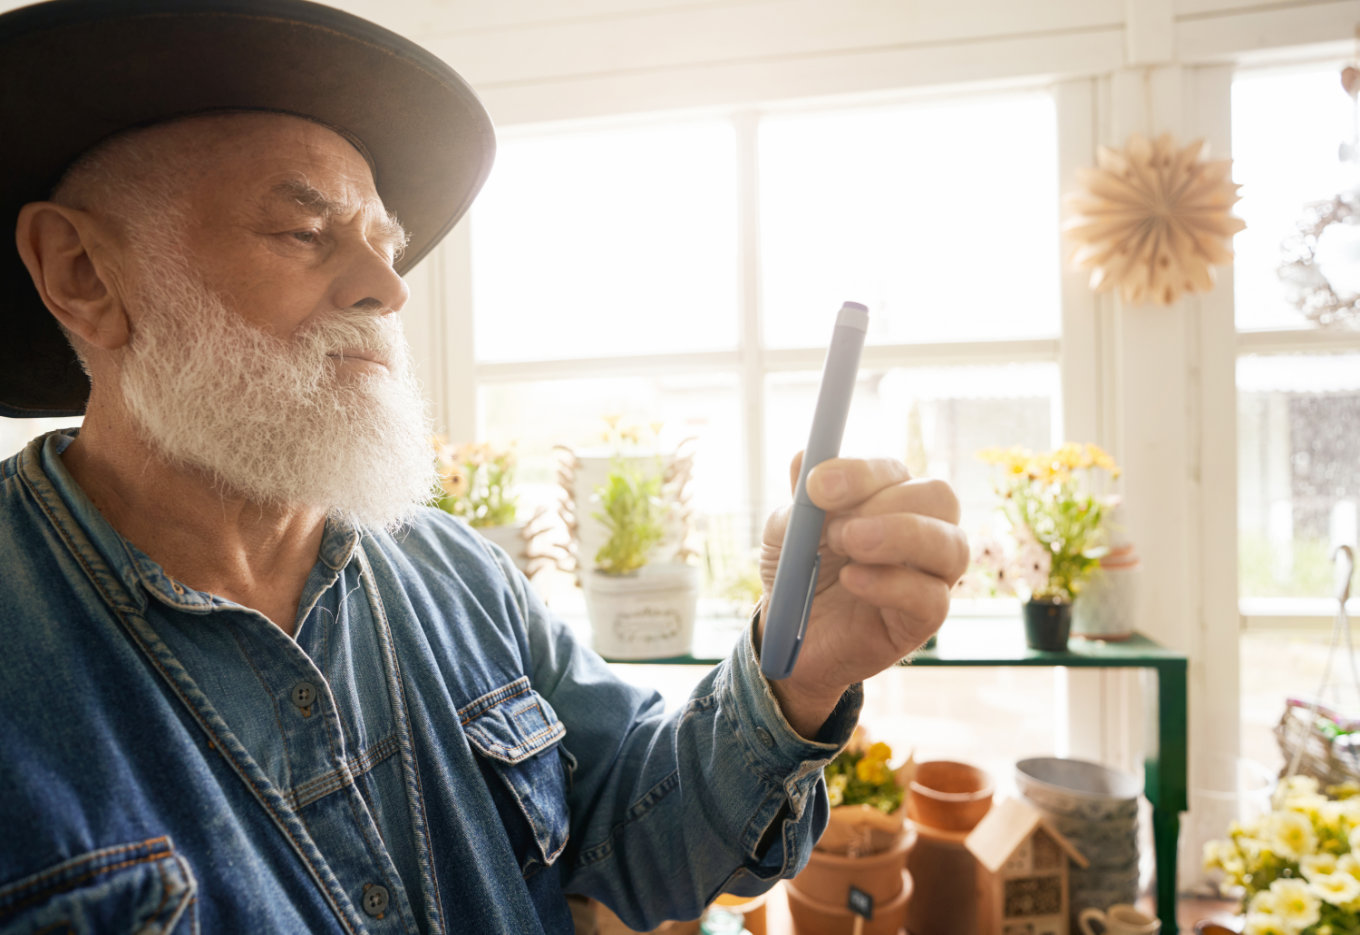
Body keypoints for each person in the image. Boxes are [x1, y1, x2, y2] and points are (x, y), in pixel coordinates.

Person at [0, 2, 968, 933]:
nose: (388, 288)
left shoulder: (455, 570)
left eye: (386, 247)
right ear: (82, 272)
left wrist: (797, 673)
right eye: (305, 232)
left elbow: (649, 845)